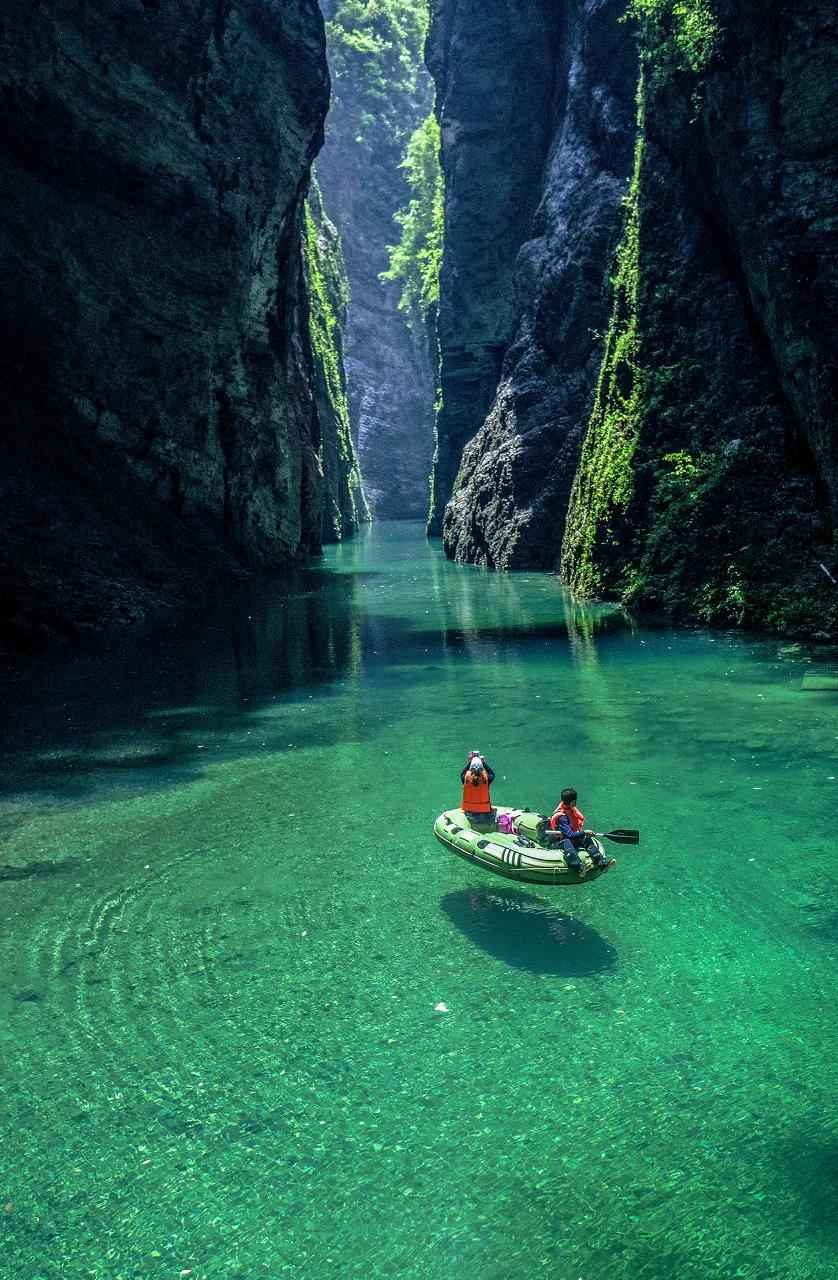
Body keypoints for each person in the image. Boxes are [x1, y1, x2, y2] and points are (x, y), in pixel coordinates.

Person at [548, 787, 615, 877]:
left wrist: (584, 834)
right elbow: (569, 835)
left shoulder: (569, 809)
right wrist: (584, 832)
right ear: (572, 802)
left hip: (569, 838)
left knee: (586, 839)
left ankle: (602, 864)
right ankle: (579, 868)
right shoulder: (561, 817)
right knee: (567, 842)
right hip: (558, 842)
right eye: (575, 801)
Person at [460, 750, 495, 826]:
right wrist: (483, 762)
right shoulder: (486, 779)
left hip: (470, 812)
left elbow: (462, 773)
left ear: (471, 768)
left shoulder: (466, 779)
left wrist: (470, 761)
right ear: (481, 768)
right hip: (485, 812)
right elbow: (492, 773)